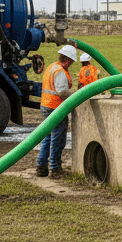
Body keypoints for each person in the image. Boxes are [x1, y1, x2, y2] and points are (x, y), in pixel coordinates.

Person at [36, 44, 77, 178]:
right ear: (67, 59)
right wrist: (78, 95)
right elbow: (62, 92)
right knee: (58, 139)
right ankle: (55, 169)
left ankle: (41, 166)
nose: (70, 65)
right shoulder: (60, 71)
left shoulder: (52, 67)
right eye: (70, 62)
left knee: (48, 137)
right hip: (55, 108)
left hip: (46, 106)